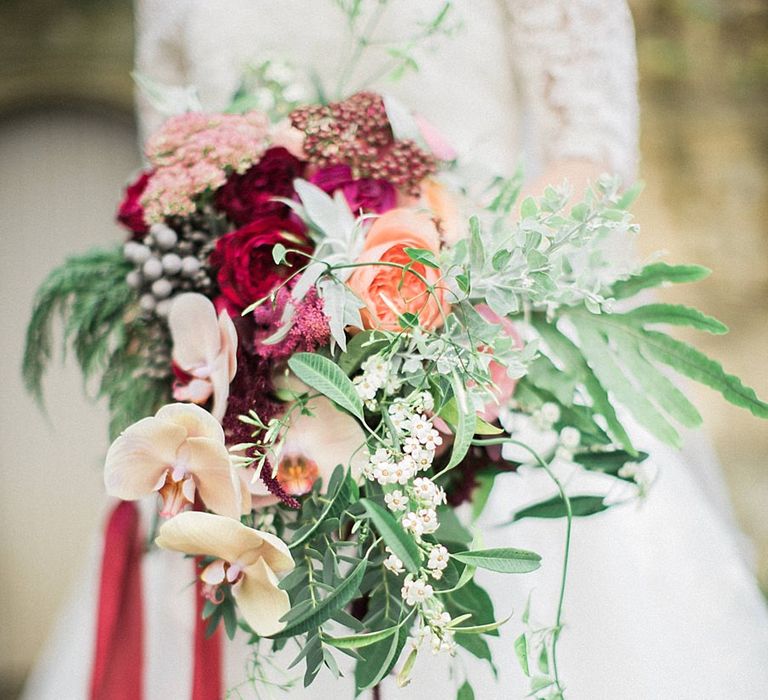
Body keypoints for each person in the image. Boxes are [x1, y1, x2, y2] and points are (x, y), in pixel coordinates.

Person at [23, 2, 768, 698]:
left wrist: (429, 313)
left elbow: (591, 151)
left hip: (482, 383)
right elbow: (175, 176)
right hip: (236, 415)